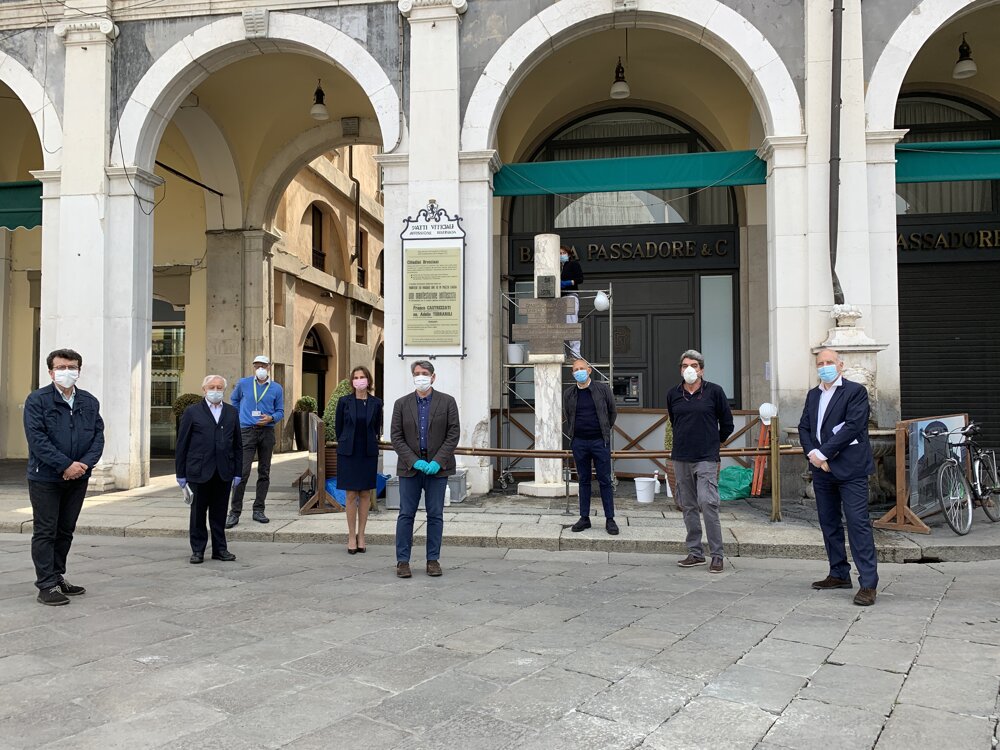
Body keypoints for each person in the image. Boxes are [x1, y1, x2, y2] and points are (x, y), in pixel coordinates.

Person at [23, 349, 105, 606]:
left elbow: (98, 437)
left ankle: (57, 576)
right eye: (61, 367)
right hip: (45, 478)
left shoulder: (89, 402)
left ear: (79, 370)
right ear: (51, 372)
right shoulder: (37, 400)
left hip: (78, 477)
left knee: (65, 530)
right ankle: (46, 584)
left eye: (72, 367)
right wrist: (65, 465)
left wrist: (83, 466)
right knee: (46, 531)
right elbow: (37, 440)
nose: (67, 371)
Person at [798, 348, 879, 606]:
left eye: (829, 362)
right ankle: (838, 573)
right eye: (820, 363)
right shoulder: (813, 395)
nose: (825, 367)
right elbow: (804, 427)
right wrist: (812, 453)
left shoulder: (855, 392)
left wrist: (823, 453)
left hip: (850, 470)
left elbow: (853, 427)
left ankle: (868, 583)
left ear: (840, 365)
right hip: (821, 471)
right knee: (829, 523)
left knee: (857, 524)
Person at [390, 360, 460, 578]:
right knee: (406, 515)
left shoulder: (447, 402)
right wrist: (414, 460)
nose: (420, 376)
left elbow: (453, 434)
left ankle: (433, 560)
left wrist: (438, 461)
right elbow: (396, 436)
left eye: (425, 373)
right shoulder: (401, 404)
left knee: (435, 515)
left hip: (437, 469)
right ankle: (403, 561)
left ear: (433, 377)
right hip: (410, 469)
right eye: (417, 373)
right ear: (413, 377)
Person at [667, 349, 734, 574]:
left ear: (702, 370)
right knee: (688, 505)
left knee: (708, 502)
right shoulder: (673, 394)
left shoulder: (715, 392)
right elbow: (674, 420)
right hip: (681, 456)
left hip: (706, 456)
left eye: (694, 366)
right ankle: (695, 553)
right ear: (680, 369)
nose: (690, 369)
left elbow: (727, 423)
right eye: (685, 365)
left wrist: (716, 443)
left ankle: (717, 555)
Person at [176, 375, 243, 564]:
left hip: (223, 471)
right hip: (198, 471)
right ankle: (197, 550)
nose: (216, 390)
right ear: (204, 389)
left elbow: (238, 444)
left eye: (219, 387)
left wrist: (237, 471)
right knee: (197, 513)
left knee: (219, 513)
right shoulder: (192, 412)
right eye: (212, 387)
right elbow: (182, 444)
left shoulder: (231, 412)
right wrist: (180, 474)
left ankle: (220, 549)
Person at [227, 355, 284, 527]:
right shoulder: (244, 383)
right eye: (257, 365)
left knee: (264, 472)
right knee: (242, 472)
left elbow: (280, 410)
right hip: (247, 431)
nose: (260, 368)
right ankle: (234, 512)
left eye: (263, 365)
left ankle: (258, 509)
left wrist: (271, 418)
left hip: (266, 431)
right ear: (253, 367)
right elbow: (234, 400)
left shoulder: (276, 388)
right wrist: (239, 416)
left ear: (269, 367)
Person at [564, 358, 619, 535]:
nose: (579, 371)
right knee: (583, 479)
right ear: (572, 373)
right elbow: (568, 414)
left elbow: (612, 412)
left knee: (605, 480)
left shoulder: (602, 389)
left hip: (599, 441)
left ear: (589, 371)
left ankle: (610, 519)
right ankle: (584, 518)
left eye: (582, 368)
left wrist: (604, 430)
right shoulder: (569, 393)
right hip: (579, 442)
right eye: (575, 369)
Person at [335, 365, 383, 554]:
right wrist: (346, 442)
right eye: (356, 377)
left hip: (368, 452)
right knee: (351, 495)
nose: (359, 380)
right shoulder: (344, 401)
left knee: (365, 494)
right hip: (349, 453)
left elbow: (377, 426)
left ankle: (361, 535)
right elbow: (339, 428)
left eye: (362, 377)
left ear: (368, 380)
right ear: (352, 381)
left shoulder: (376, 403)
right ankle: (350, 536)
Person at [560, 245, 584, 359]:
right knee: (558, 327)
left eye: (563, 253)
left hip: (570, 295)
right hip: (557, 299)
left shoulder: (573, 264)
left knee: (571, 324)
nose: (561, 255)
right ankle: (561, 352)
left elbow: (580, 279)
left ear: (568, 254)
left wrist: (568, 282)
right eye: (559, 253)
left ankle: (575, 353)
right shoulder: (555, 266)